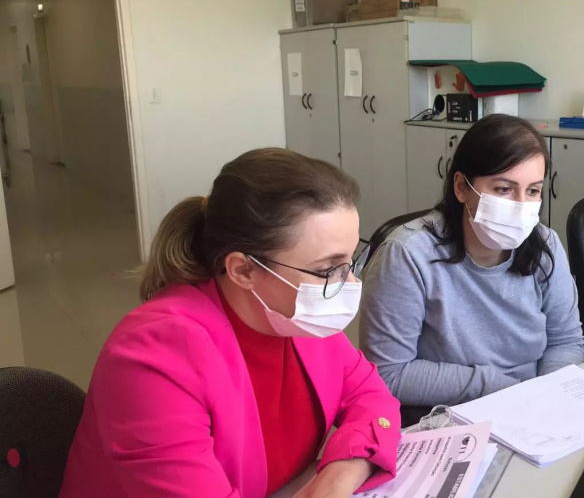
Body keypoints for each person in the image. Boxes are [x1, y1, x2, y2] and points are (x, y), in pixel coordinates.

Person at [60, 149, 400, 498]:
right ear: (243, 270)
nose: (348, 284)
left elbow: (373, 398)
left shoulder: (299, 320)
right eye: (329, 270)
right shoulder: (153, 357)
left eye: (350, 262)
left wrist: (337, 478)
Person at [359, 114, 584, 412]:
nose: (520, 205)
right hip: (452, 412)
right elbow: (388, 373)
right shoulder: (407, 254)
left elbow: (566, 341)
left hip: (535, 406)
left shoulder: (545, 244)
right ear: (461, 187)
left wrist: (546, 399)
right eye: (503, 189)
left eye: (532, 190)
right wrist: (504, 391)